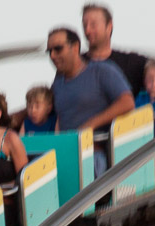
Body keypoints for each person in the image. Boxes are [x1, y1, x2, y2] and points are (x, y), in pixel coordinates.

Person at [46, 27, 135, 175]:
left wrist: (90, 125)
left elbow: (127, 102)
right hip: (65, 154)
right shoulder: (58, 82)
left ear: (75, 47)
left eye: (58, 49)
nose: (53, 55)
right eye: (49, 51)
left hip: (95, 154)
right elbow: (46, 105)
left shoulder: (102, 71)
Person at [82, 4, 150, 94]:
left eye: (93, 25)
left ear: (109, 26)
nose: (87, 30)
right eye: (84, 25)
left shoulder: (132, 63)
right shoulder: (73, 65)